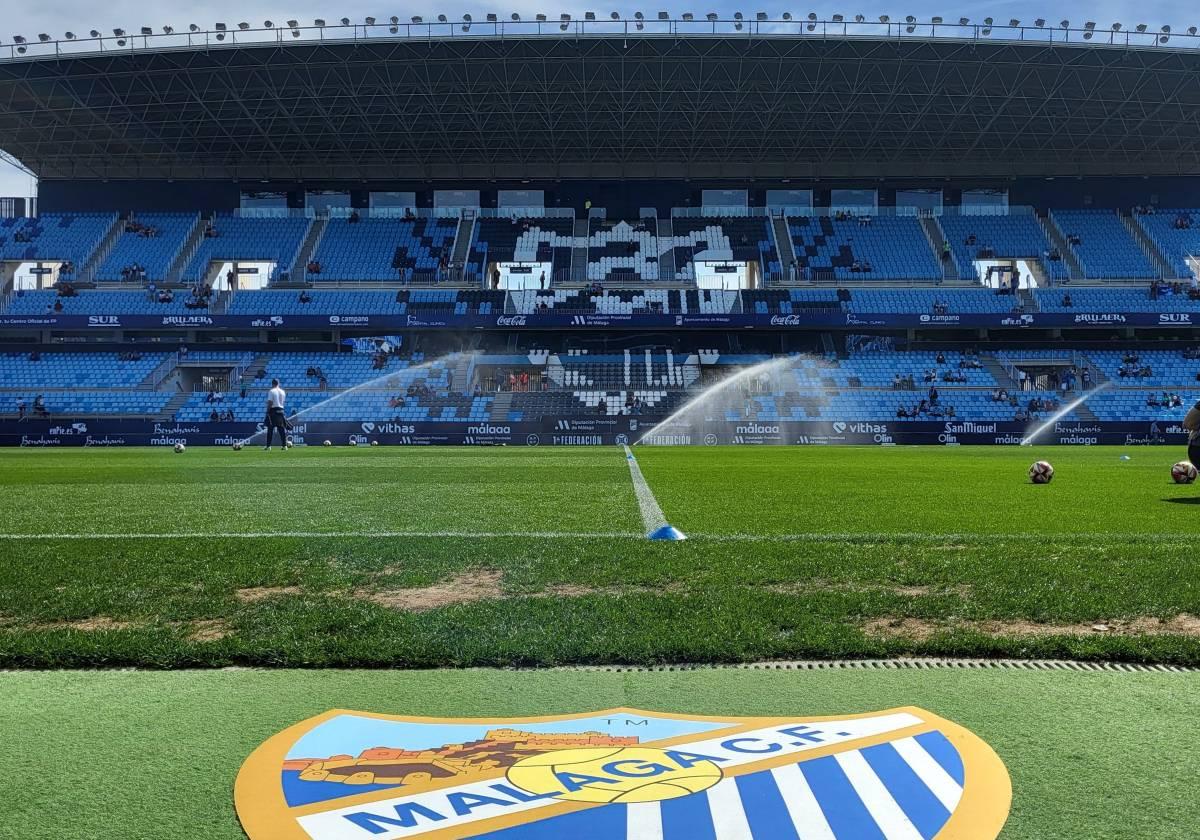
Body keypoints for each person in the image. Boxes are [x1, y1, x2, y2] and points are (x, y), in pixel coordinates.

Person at [263, 379, 289, 451]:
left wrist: (267, 411)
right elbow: (282, 402)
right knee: (281, 429)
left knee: (270, 429)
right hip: (281, 410)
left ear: (272, 384)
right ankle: (284, 446)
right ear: (278, 383)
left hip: (273, 410)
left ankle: (268, 446)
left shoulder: (271, 391)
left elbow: (270, 402)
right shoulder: (282, 391)